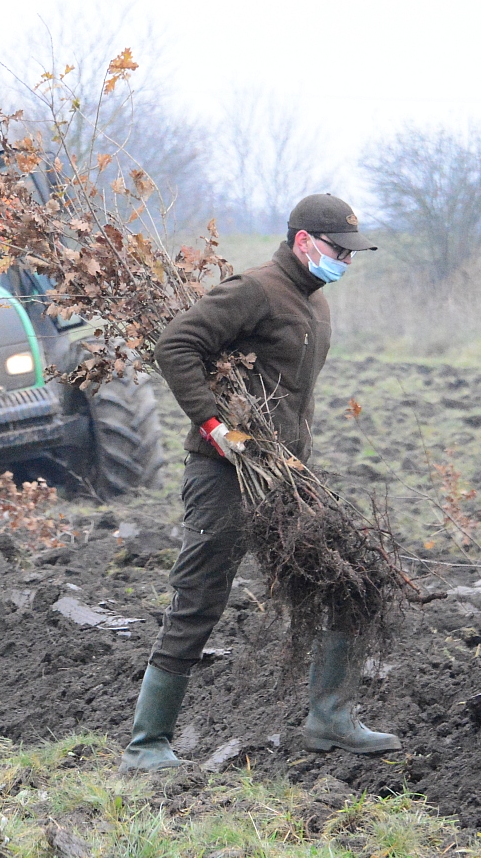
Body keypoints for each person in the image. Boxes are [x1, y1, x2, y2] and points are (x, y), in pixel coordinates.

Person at [120, 193, 395, 772]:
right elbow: (176, 345)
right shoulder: (255, 289)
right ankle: (147, 744)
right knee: (199, 600)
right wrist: (215, 426)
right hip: (225, 474)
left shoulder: (315, 302)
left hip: (284, 476)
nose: (346, 261)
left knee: (351, 580)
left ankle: (330, 719)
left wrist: (297, 464)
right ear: (303, 241)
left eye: (353, 254)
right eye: (339, 250)